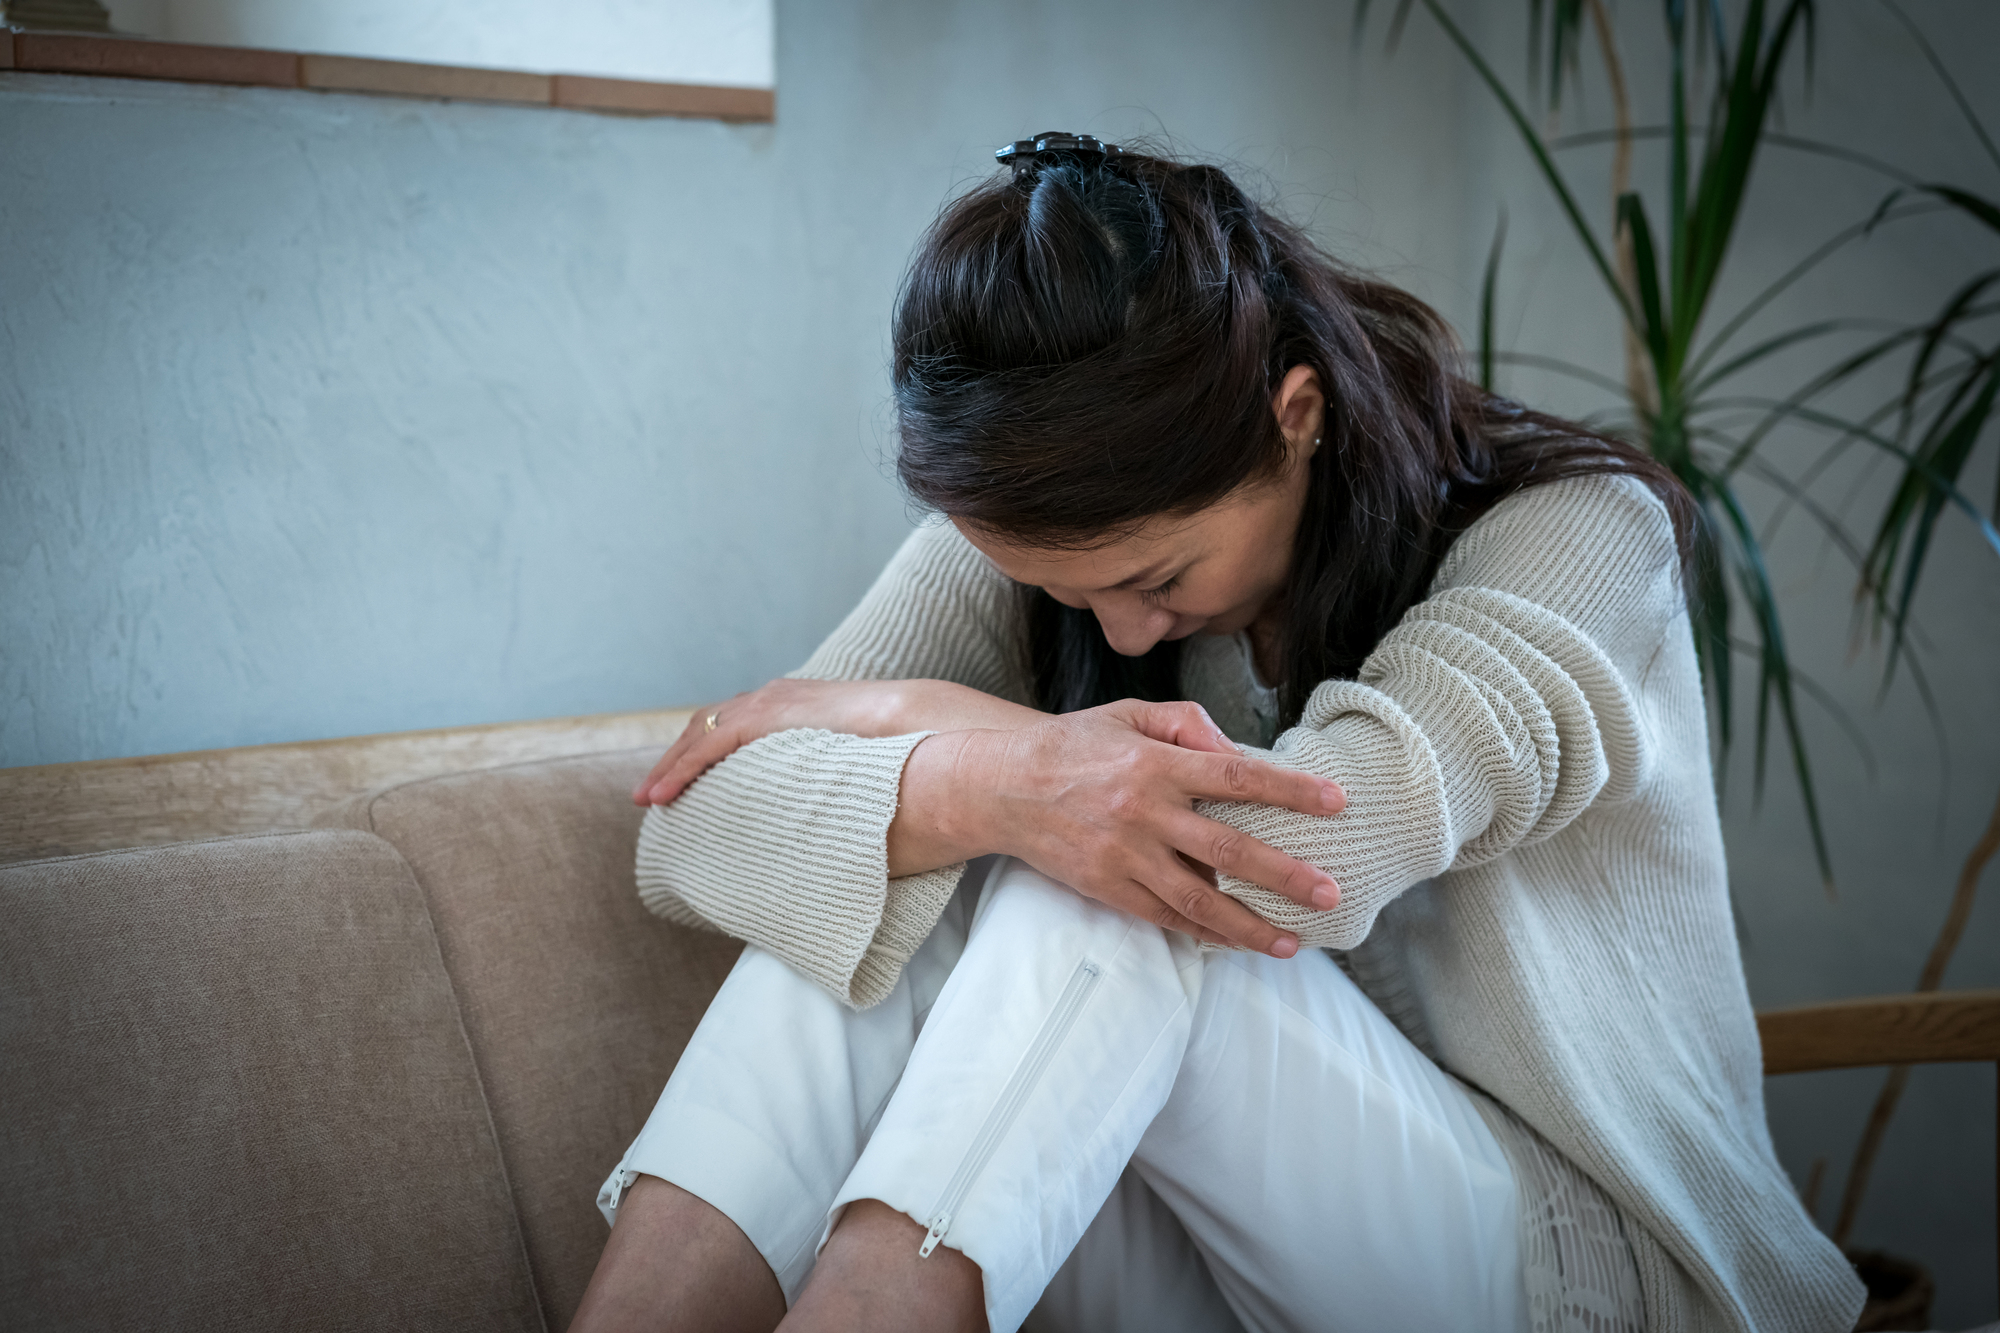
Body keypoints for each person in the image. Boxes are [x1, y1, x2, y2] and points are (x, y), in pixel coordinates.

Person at [568, 134, 1861, 1333]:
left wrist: (924, 724)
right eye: (1079, 597)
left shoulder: (1578, 533)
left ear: (1293, 415)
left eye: (1161, 579)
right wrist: (990, 773)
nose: (1122, 634)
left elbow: (1303, 848)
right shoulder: (1055, 540)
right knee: (882, 898)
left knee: (1128, 870)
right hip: (1206, 1237)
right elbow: (689, 826)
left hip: (1570, 1269)